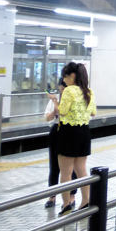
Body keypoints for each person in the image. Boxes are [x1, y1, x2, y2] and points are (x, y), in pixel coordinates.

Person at [51, 62, 96, 214]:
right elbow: (93, 113)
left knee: (66, 172)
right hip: (84, 132)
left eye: (65, 76)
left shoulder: (69, 91)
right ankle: (85, 201)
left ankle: (66, 204)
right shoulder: (89, 91)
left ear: (72, 76)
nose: (64, 80)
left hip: (68, 132)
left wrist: (55, 102)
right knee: (82, 170)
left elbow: (62, 112)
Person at [43, 80, 76, 208]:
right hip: (56, 132)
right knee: (54, 165)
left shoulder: (73, 99)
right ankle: (52, 195)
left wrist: (56, 104)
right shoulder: (54, 99)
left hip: (70, 132)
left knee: (70, 167)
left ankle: (72, 196)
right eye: (61, 88)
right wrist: (54, 110)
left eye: (64, 88)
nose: (62, 91)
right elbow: (47, 118)